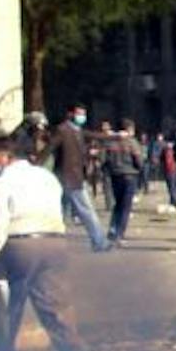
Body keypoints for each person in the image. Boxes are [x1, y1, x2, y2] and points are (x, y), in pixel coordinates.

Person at [0, 135, 84, 351]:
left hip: (19, 245)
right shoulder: (47, 177)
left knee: (5, 303)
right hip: (55, 243)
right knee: (56, 305)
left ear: (6, 157)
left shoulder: (2, 183)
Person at [46, 105, 108, 253]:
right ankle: (99, 241)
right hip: (70, 176)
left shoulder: (77, 130)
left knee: (62, 212)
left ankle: (55, 244)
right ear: (70, 114)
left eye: (84, 114)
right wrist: (35, 164)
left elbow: (94, 135)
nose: (82, 117)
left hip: (73, 176)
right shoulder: (63, 130)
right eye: (79, 113)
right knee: (86, 210)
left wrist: (117, 136)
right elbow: (50, 147)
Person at [100, 120, 146, 245]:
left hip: (115, 175)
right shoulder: (132, 142)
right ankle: (120, 234)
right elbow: (138, 160)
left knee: (118, 204)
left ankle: (112, 230)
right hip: (130, 175)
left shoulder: (110, 142)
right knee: (126, 206)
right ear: (130, 129)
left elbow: (103, 159)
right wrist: (140, 170)